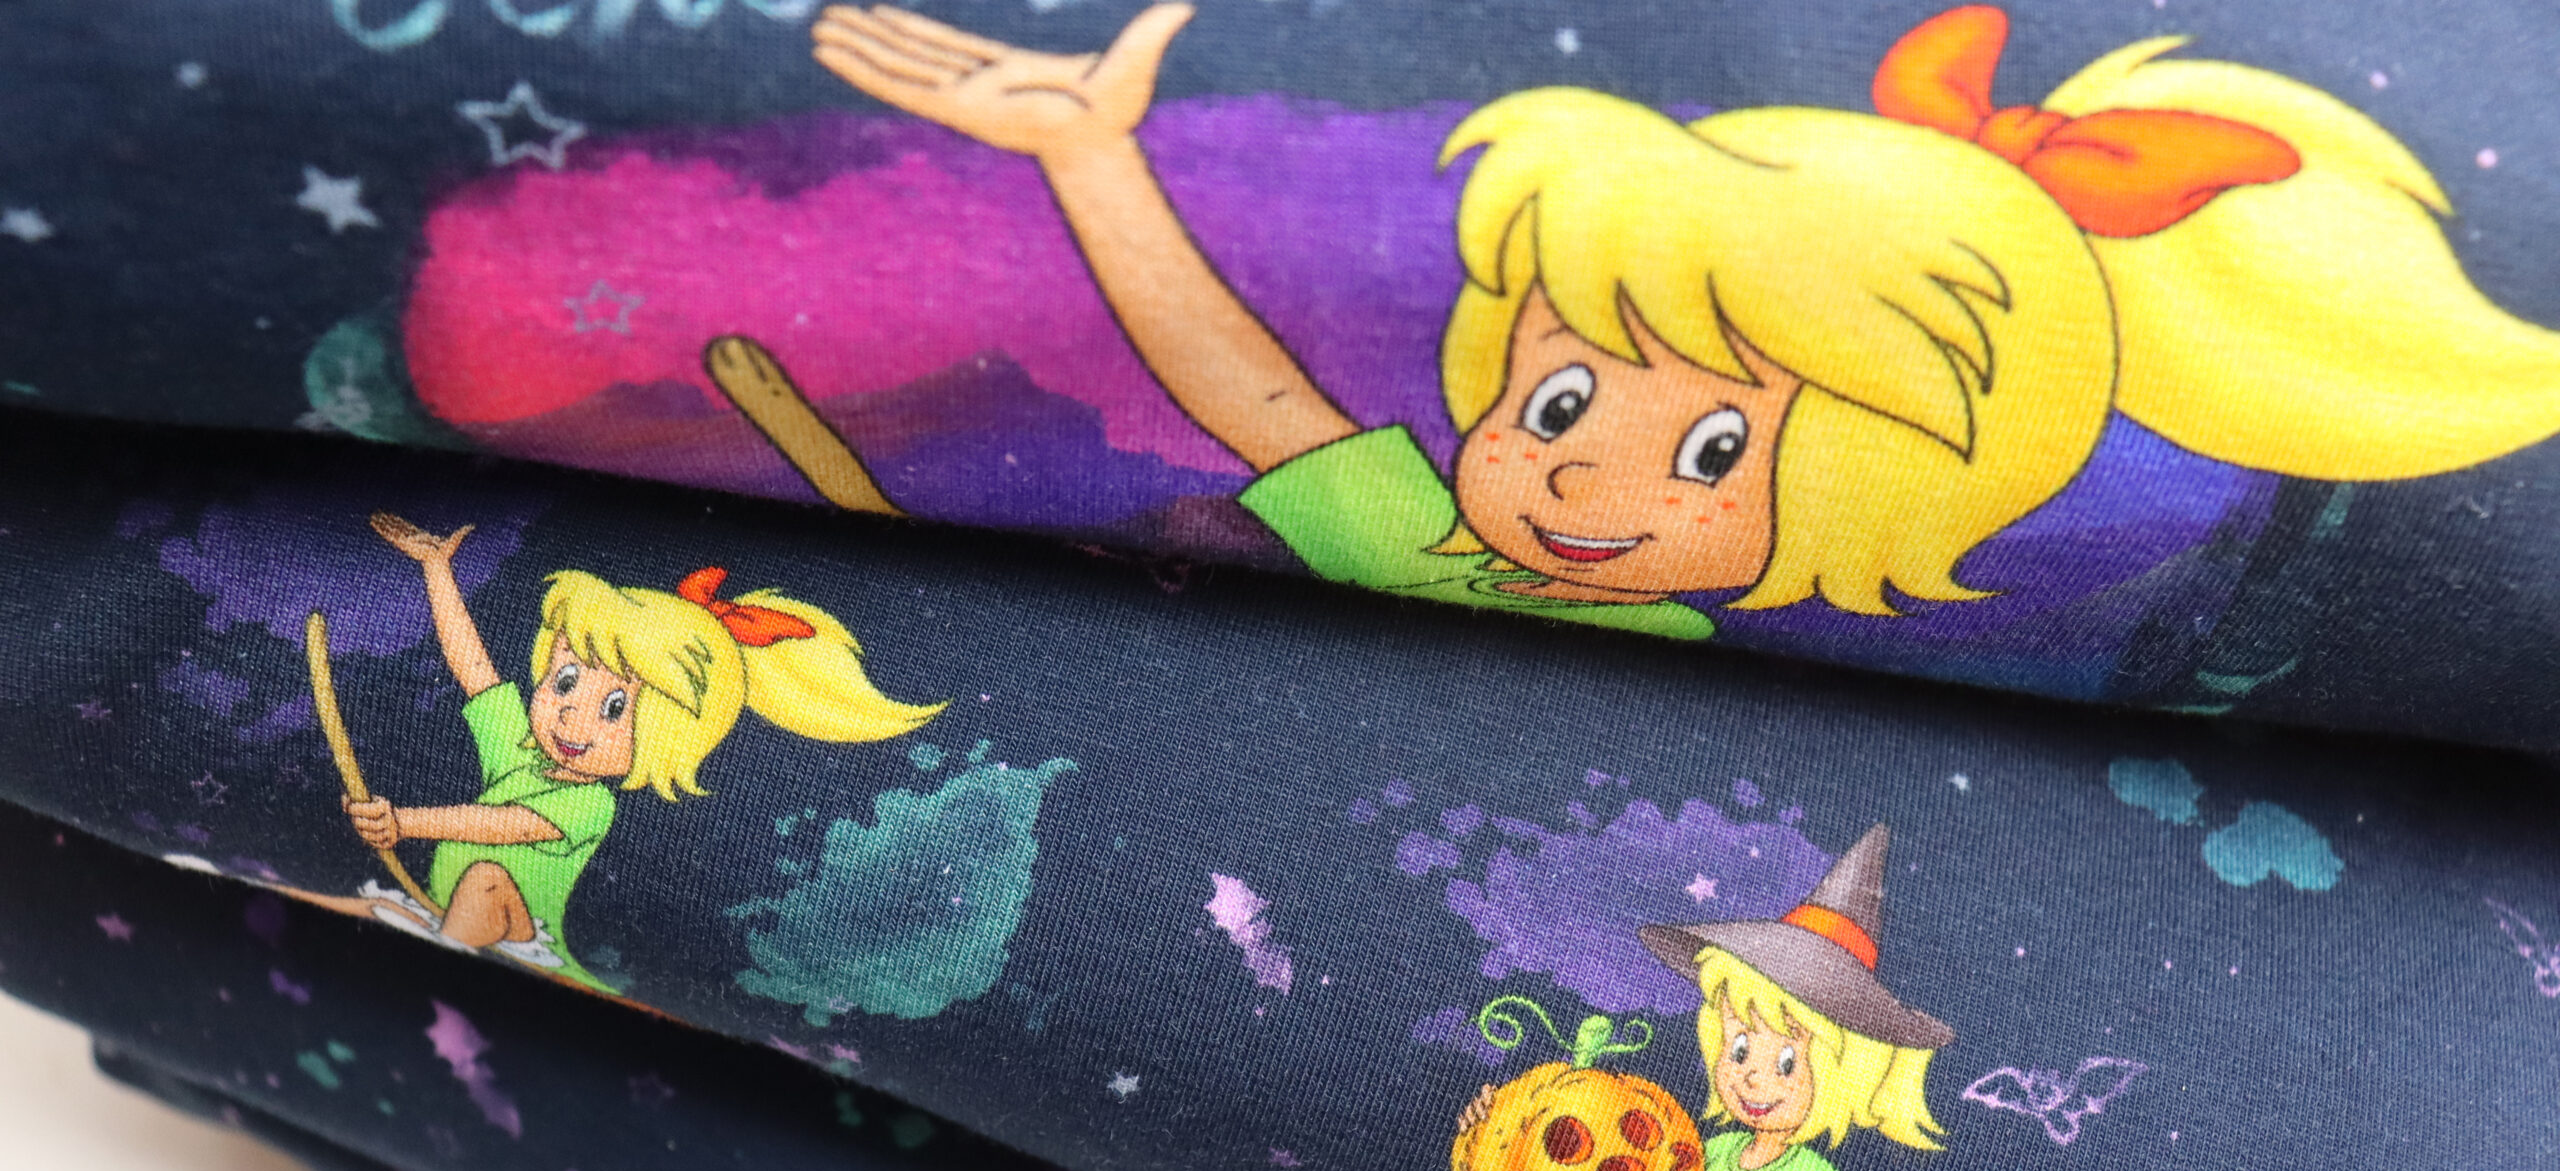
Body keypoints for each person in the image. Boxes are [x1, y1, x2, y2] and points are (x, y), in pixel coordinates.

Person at [809, 3, 2560, 633]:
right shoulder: (1415, 533)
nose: (1577, 476)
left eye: (1718, 445)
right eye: (1558, 400)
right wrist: (1091, 160)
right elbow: (1246, 384)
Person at [287, 512, 940, 989]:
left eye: (616, 707)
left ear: (664, 733)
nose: (572, 713)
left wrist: (405, 823)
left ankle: (427, 981)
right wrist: (437, 570)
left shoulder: (587, 804)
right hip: (448, 909)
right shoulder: (521, 750)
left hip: (518, 932)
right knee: (352, 904)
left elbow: (507, 825)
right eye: (566, 680)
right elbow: (475, 669)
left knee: (484, 878)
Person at [1534, 825, 1951, 1171]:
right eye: (1739, 1050)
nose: (1752, 1080)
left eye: (1787, 1063)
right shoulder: (1715, 1148)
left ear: (1850, 1073)